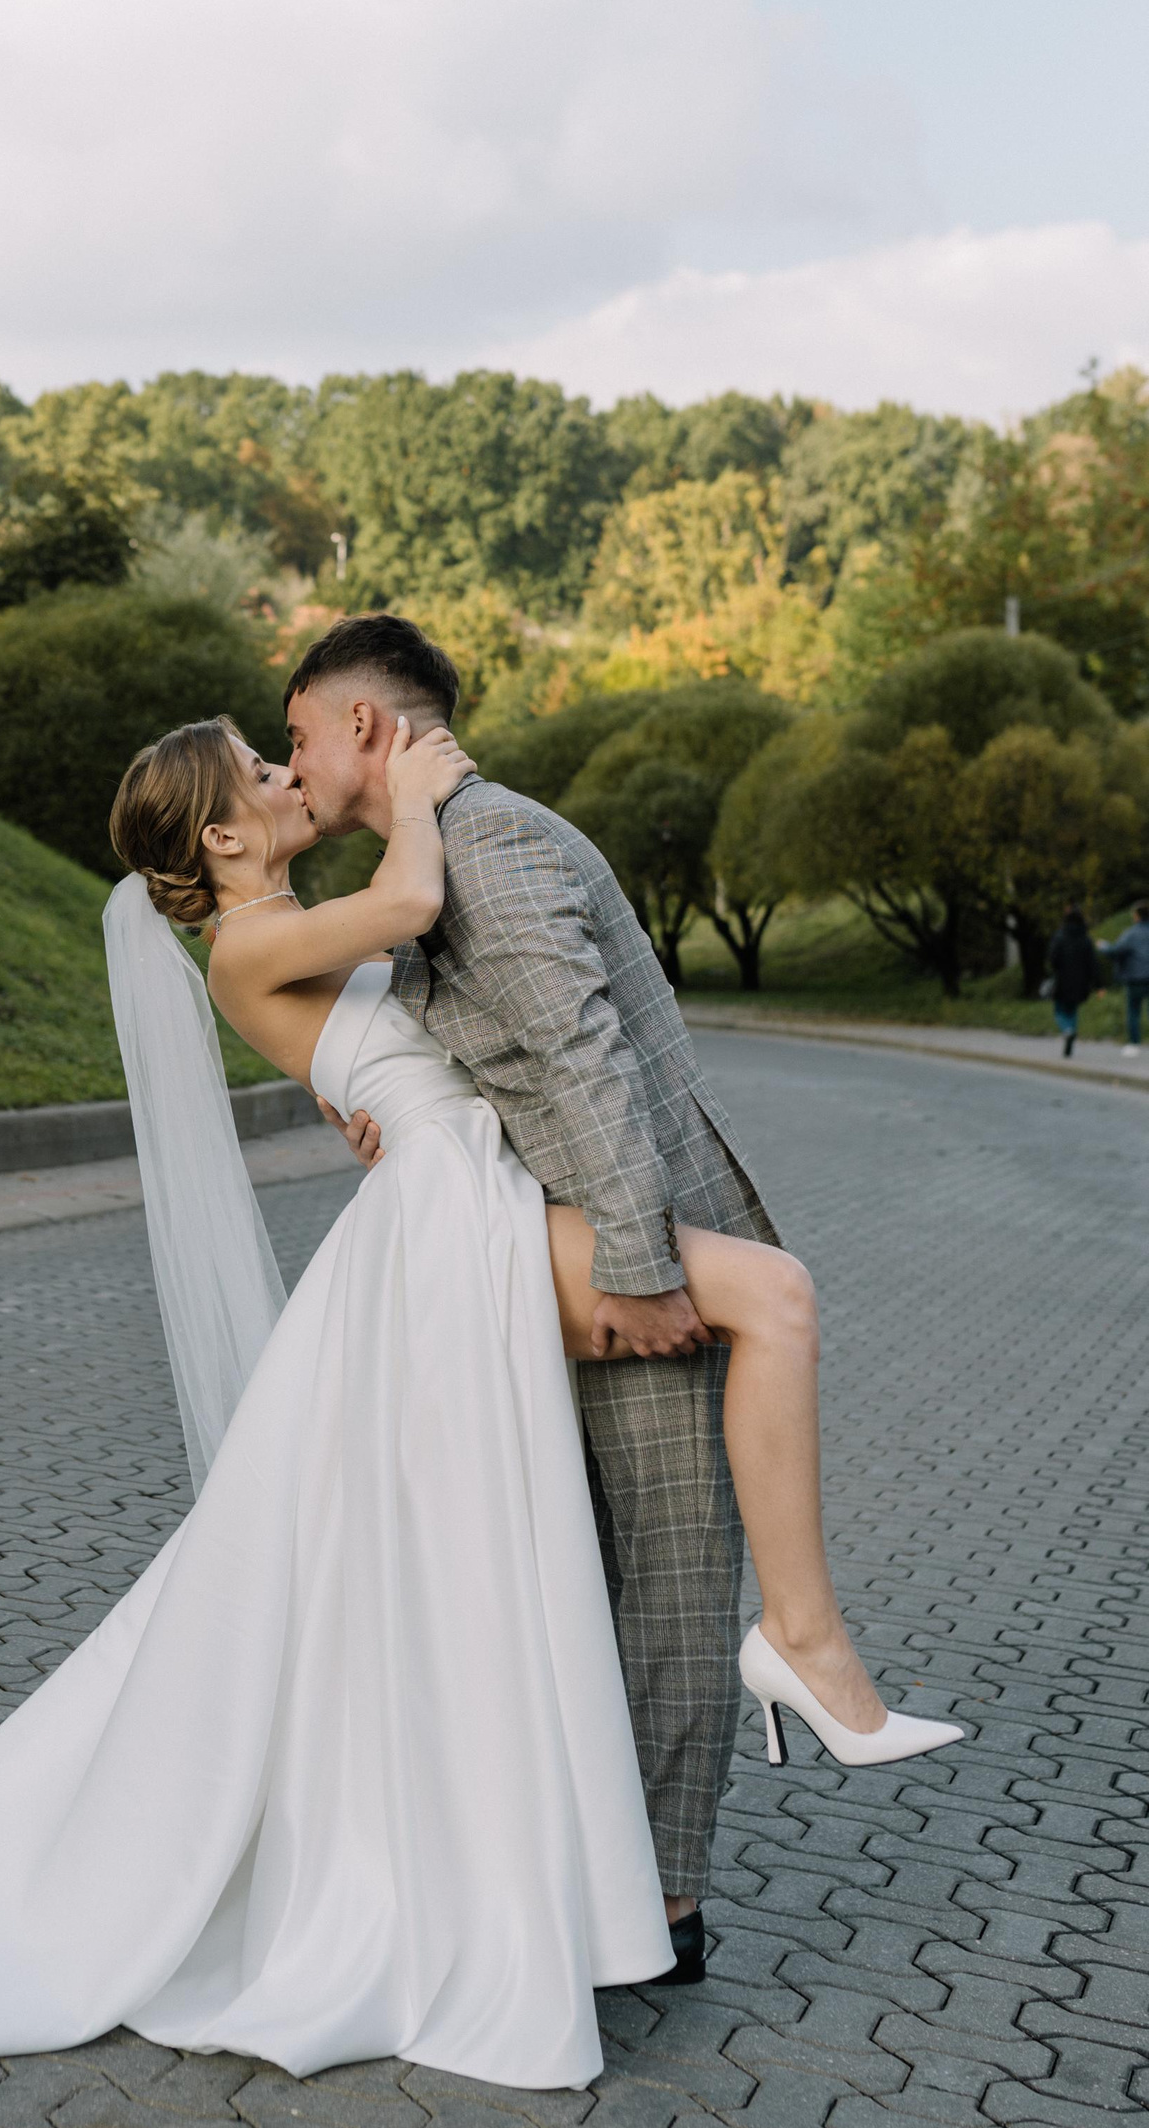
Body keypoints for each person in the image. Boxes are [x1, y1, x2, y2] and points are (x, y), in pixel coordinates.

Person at [0, 685, 960, 2092]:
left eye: (289, 756)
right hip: (446, 1231)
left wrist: (373, 1080)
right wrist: (424, 786)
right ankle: (795, 1644)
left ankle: (712, 1710)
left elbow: (424, 1011)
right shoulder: (250, 941)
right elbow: (417, 903)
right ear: (221, 836)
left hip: (455, 1208)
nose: (289, 776)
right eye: (264, 772)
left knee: (485, 1552)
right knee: (765, 1300)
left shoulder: (289, 928)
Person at [279, 614, 952, 1966]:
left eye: (296, 736)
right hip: (550, 1247)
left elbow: (585, 1061)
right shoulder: (444, 852)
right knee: (601, 1565)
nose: (290, 767)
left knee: (668, 1567)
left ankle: (658, 1901)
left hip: (625, 1240)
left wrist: (640, 1268)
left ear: (363, 724)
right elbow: (491, 1046)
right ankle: (613, 1885)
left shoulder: (489, 845)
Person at [1046, 904, 1102, 1057]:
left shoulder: (1060, 936)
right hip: (1080, 982)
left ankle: (1067, 1031)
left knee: (1059, 1010)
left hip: (1062, 979)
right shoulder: (1086, 939)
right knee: (1072, 1009)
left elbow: (1052, 959)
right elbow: (1093, 963)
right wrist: (1098, 985)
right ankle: (1072, 1032)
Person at [1098, 900, 1149, 1055]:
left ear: (1136, 916)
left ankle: (1134, 1043)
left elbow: (1116, 951)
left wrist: (1103, 946)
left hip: (1135, 978)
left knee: (1133, 1011)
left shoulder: (1131, 933)